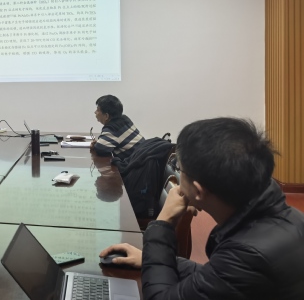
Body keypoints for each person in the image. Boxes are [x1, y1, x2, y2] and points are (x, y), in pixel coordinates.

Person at [99, 117, 304, 300]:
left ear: (197, 191)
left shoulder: (247, 256)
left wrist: (163, 222)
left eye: (180, 169)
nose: (178, 176)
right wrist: (150, 259)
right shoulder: (287, 217)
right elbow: (216, 276)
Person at [90, 95, 144, 160]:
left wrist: (96, 145)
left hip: (137, 163)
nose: (95, 112)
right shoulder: (124, 119)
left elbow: (100, 148)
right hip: (144, 158)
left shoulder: (112, 128)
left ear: (106, 116)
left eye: (98, 110)